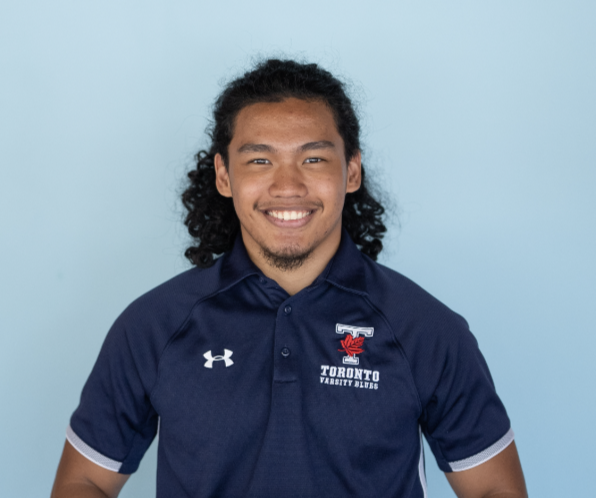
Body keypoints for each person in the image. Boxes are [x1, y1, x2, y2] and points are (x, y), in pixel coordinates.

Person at [51, 59, 528, 498]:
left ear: (352, 172)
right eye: (259, 160)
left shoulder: (424, 327)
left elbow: (494, 488)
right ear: (223, 175)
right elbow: (86, 479)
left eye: (314, 158)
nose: (287, 186)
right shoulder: (155, 324)